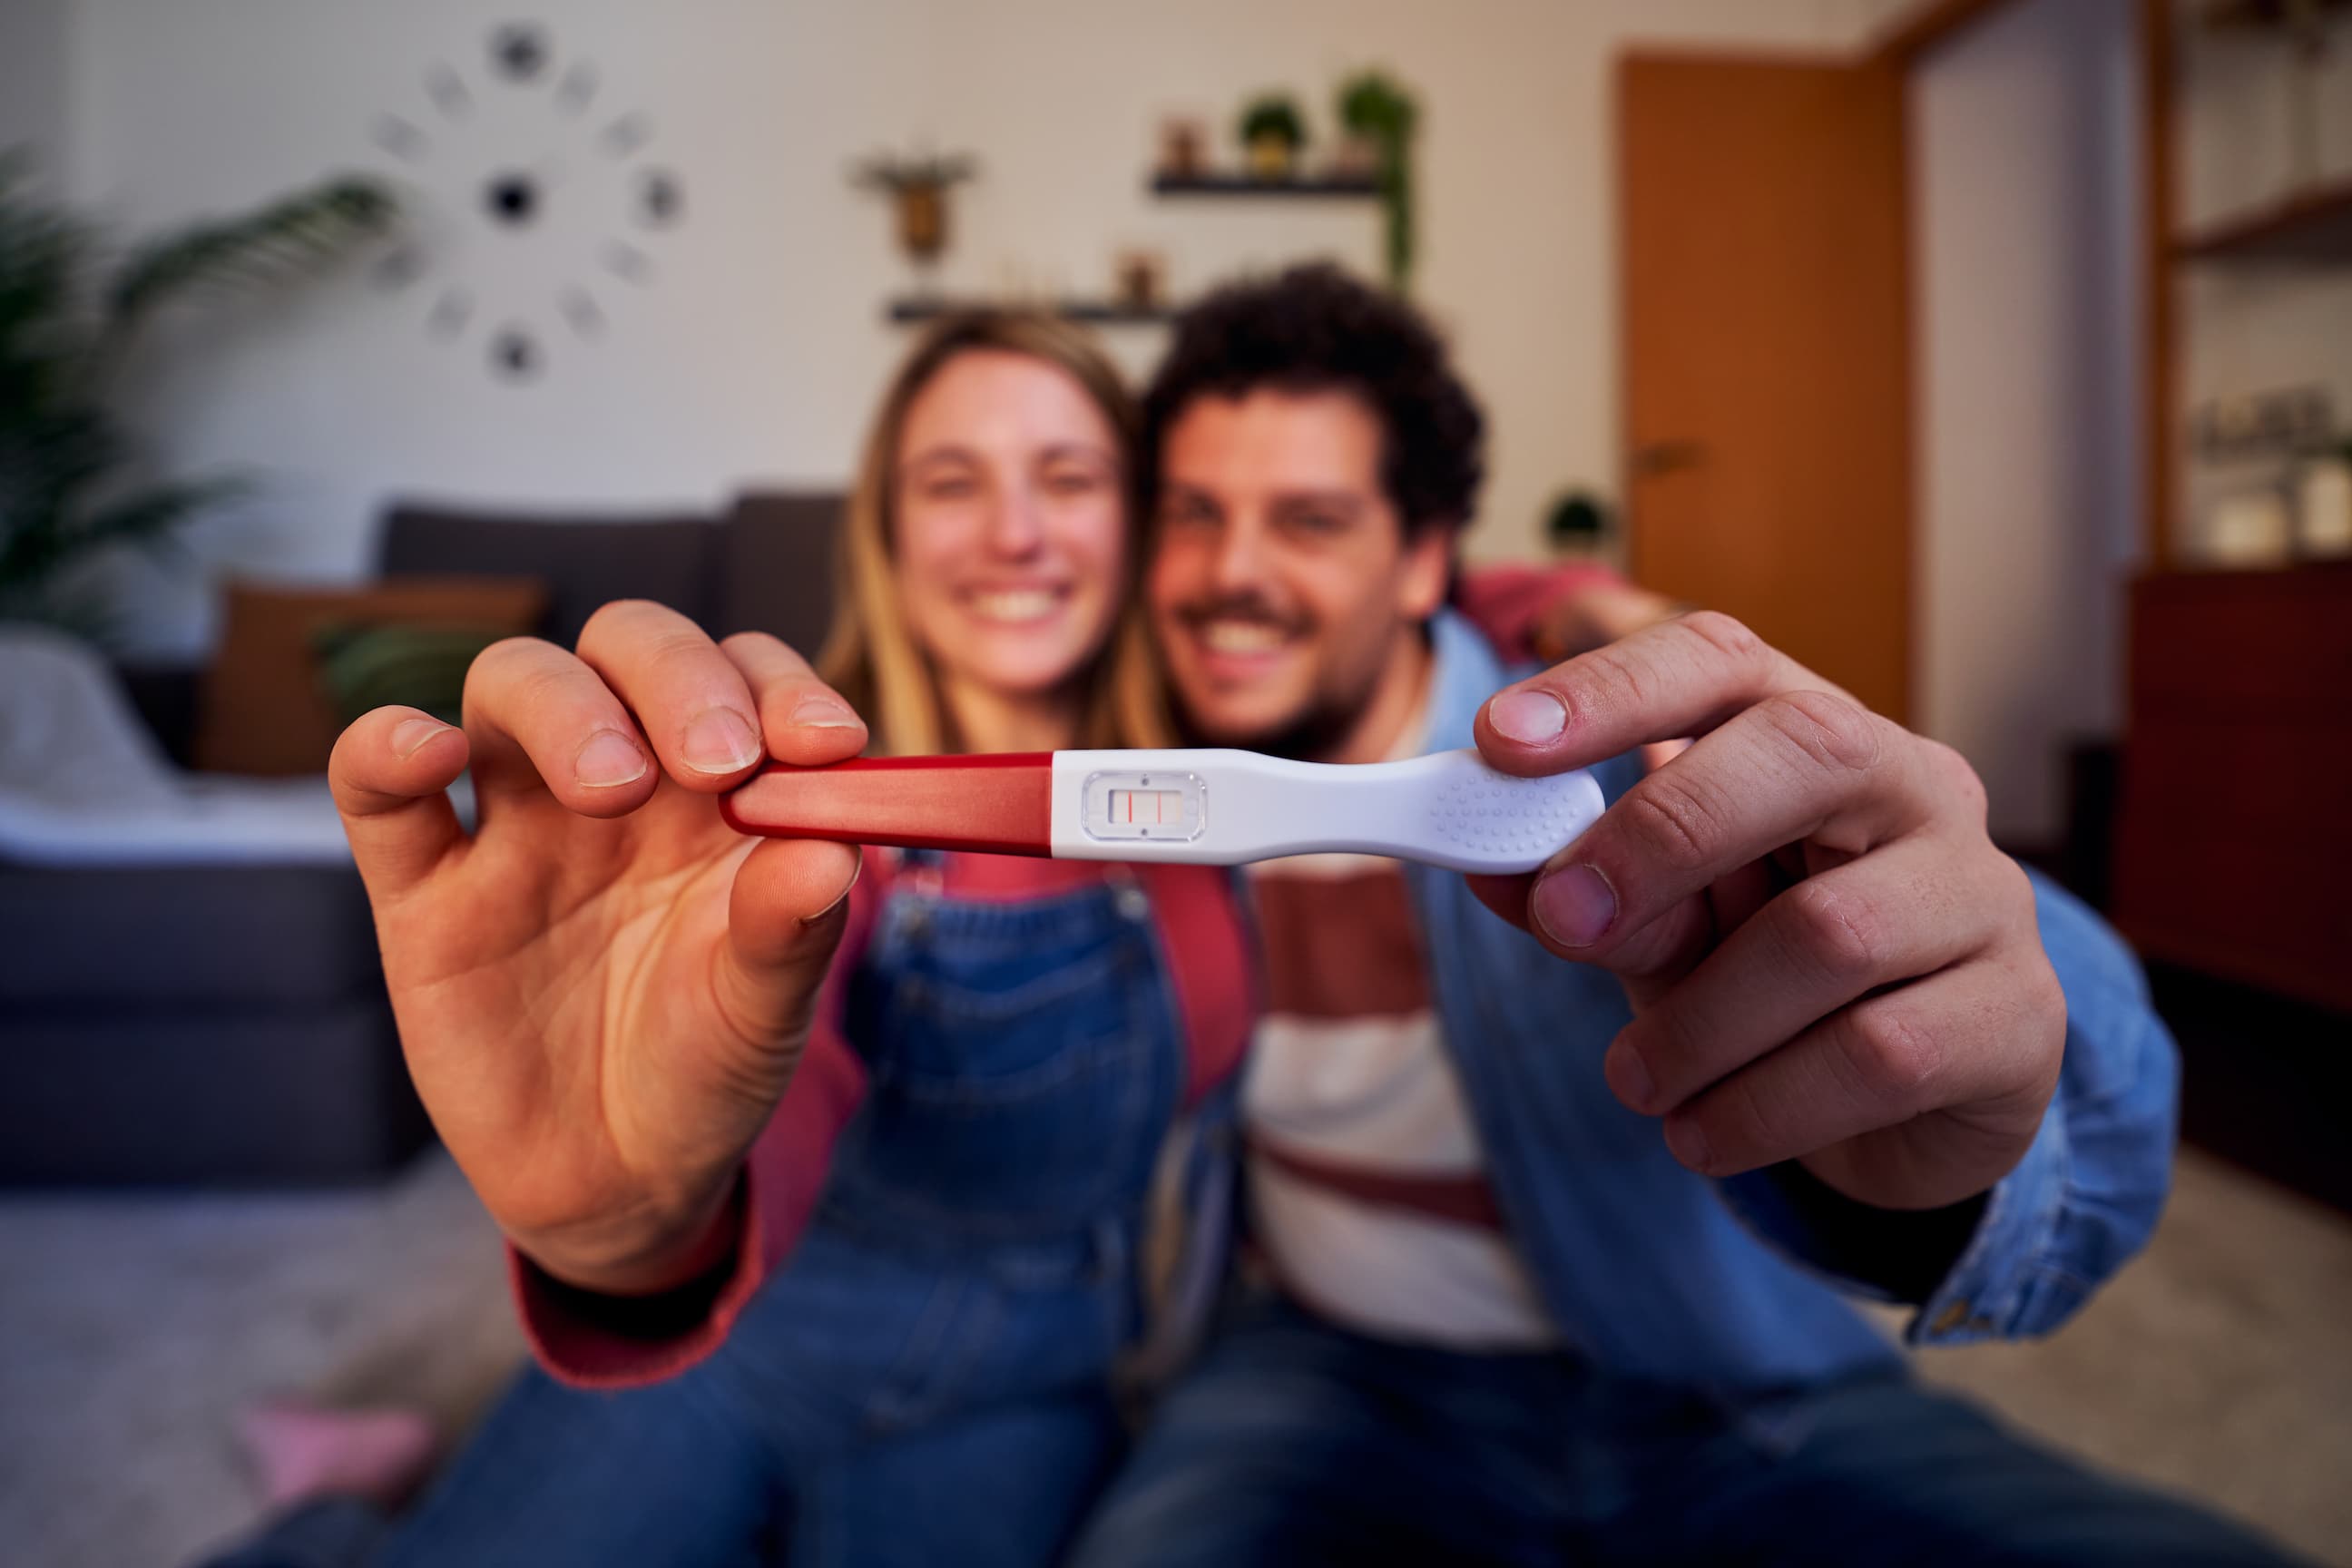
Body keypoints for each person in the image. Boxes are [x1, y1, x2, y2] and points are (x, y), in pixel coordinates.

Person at [240, 307, 1618, 1567]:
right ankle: (334, 1517)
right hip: (748, 1351)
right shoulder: (793, 825)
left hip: (1036, 1389)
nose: (1015, 533)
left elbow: (1385, 587)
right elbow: (763, 1103)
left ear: (1144, 530)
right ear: (889, 537)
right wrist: (634, 1235)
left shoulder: (1223, 764)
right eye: (952, 483)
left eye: (1068, 480)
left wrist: (1571, 607)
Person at [1060, 263, 2300, 1567]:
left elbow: (2071, 1082)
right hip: (1323, 1379)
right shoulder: (1134, 799)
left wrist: (1984, 1046)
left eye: (1308, 520)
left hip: (1724, 1396)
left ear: (1425, 559)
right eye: (1193, 515)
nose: (1228, 573)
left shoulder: (1601, 761)